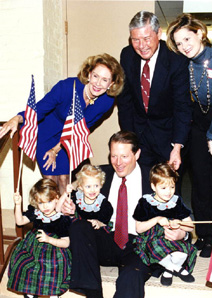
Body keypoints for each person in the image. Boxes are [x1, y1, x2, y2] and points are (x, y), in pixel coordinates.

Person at [63, 130, 188, 298]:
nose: (118, 163)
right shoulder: (101, 176)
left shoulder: (156, 178)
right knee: (78, 227)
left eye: (124, 156)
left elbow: (182, 219)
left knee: (131, 275)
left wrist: (181, 233)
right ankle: (93, 296)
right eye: (114, 156)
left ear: (137, 154)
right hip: (107, 239)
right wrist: (68, 208)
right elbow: (78, 198)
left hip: (140, 245)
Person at [0, 53, 124, 194]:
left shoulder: (106, 101)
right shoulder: (66, 87)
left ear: (111, 84)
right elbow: (39, 109)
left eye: (105, 80)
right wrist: (17, 118)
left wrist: (56, 149)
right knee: (51, 179)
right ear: (89, 74)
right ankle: (51, 213)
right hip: (46, 131)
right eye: (95, 76)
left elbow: (83, 128)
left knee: (65, 180)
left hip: (69, 136)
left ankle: (65, 214)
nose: (97, 83)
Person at [166, 13, 212, 257]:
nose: (184, 46)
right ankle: (203, 235)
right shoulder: (184, 63)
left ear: (200, 33)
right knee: (200, 181)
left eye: (187, 38)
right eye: (179, 42)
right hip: (197, 121)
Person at [117, 11, 193, 178]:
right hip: (139, 136)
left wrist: (177, 146)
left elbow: (182, 106)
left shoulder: (176, 59)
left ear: (158, 33)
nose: (141, 45)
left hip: (168, 138)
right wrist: (129, 141)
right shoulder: (127, 55)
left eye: (146, 38)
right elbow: (125, 101)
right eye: (135, 40)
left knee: (168, 190)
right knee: (141, 188)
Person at [133, 163, 197, 287]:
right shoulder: (145, 202)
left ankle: (168, 270)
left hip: (171, 239)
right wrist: (157, 219)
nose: (169, 192)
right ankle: (177, 269)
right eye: (163, 188)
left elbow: (191, 226)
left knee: (183, 253)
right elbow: (139, 228)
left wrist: (180, 224)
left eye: (172, 187)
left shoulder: (176, 201)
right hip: (151, 241)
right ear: (153, 186)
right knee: (157, 247)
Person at [7, 178, 72, 298]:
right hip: (33, 246)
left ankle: (54, 296)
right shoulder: (36, 213)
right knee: (25, 264)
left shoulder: (61, 220)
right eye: (41, 203)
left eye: (49, 201)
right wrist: (17, 204)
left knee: (52, 267)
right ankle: (30, 294)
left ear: (56, 199)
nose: (45, 206)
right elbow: (19, 221)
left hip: (54, 249)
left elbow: (66, 242)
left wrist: (49, 239)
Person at [57, 164, 113, 229]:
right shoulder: (76, 197)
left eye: (96, 186)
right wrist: (65, 193)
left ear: (101, 185)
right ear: (81, 186)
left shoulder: (104, 205)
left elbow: (105, 224)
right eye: (88, 186)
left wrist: (99, 223)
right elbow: (58, 209)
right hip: (76, 230)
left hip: (94, 234)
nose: (92, 190)